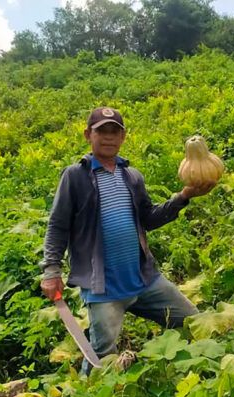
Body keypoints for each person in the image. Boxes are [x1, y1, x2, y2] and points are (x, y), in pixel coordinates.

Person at [39, 106, 215, 374]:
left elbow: (148, 219)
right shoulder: (75, 176)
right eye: (102, 131)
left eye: (114, 132)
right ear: (88, 135)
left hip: (144, 280)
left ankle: (194, 371)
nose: (108, 137)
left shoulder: (132, 176)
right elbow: (57, 225)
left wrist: (183, 197)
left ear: (123, 137)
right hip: (103, 289)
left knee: (193, 322)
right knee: (101, 357)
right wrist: (51, 270)